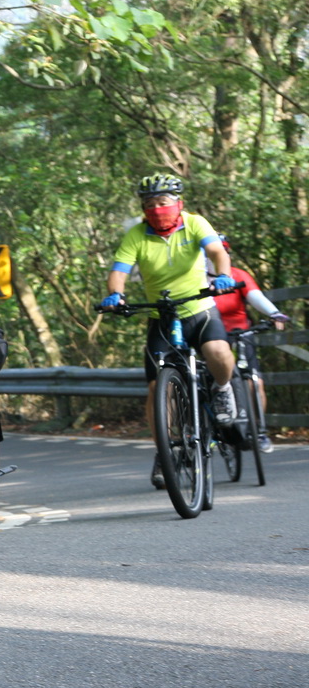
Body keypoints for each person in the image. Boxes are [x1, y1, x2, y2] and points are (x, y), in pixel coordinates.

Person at [98, 172, 239, 491]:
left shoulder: (195, 223)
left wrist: (223, 275)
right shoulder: (136, 235)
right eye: (150, 204)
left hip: (199, 309)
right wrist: (115, 295)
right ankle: (166, 448)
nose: (157, 209)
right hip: (162, 317)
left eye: (163, 202)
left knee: (217, 352)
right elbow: (119, 270)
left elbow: (217, 252)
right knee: (156, 388)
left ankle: (222, 390)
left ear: (179, 204)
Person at [208, 236, 291, 452]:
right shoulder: (195, 278)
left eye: (223, 251)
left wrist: (274, 313)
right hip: (210, 335)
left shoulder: (237, 275)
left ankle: (259, 432)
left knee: (255, 383)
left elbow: (254, 295)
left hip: (240, 332)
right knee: (208, 382)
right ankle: (210, 429)